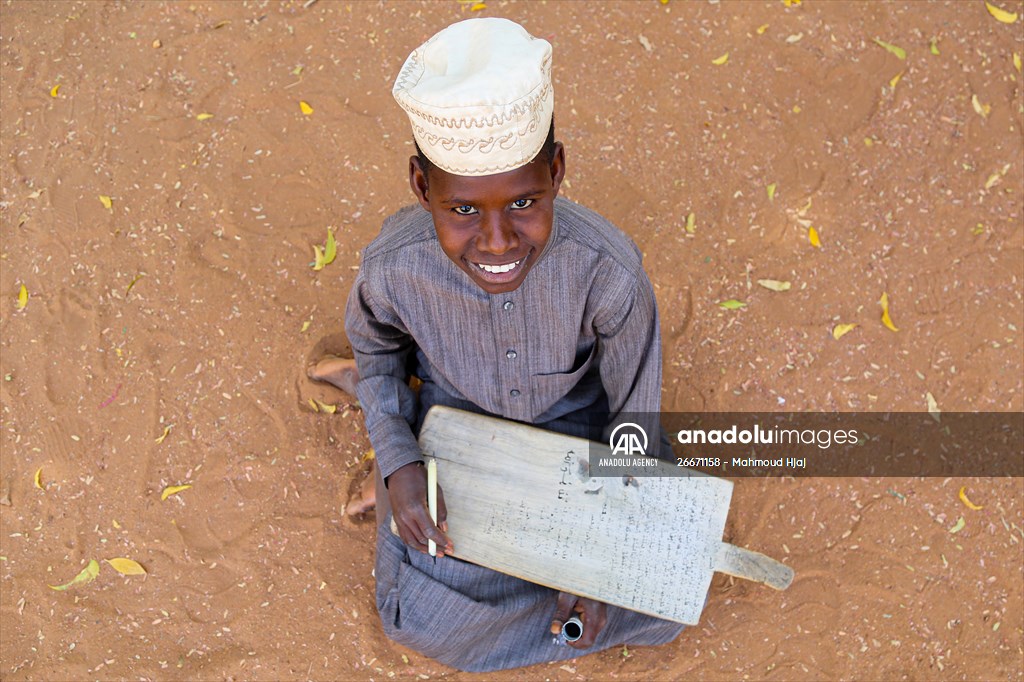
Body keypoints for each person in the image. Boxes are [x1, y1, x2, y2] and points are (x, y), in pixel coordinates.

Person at [314, 17, 684, 672]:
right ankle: (393, 439)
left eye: (523, 202)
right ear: (423, 187)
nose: (496, 243)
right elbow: (378, 349)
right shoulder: (394, 268)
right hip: (455, 428)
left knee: (666, 591)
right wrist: (401, 460)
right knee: (420, 618)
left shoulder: (609, 272)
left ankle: (410, 481)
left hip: (576, 438)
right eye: (462, 210)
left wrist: (598, 552)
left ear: (558, 172)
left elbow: (634, 423)